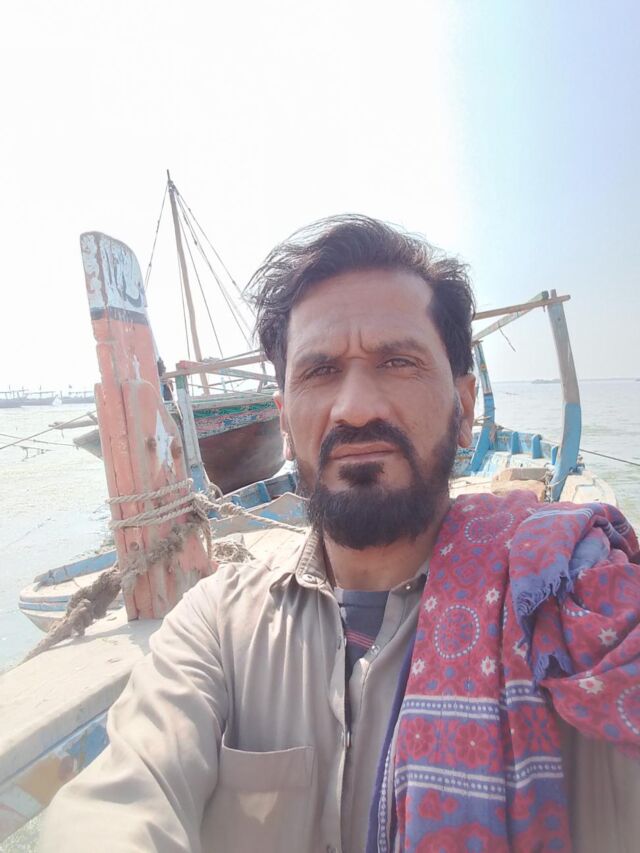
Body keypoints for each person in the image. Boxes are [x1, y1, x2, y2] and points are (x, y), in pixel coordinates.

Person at [41, 216, 639, 852]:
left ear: (464, 408)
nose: (355, 407)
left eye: (398, 362)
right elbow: (120, 802)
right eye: (320, 371)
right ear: (285, 421)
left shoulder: (566, 601)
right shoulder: (219, 626)